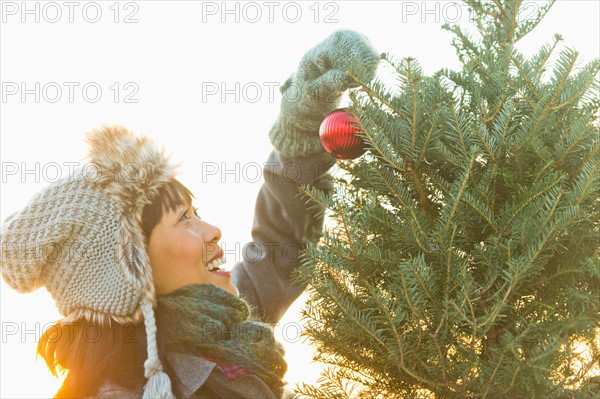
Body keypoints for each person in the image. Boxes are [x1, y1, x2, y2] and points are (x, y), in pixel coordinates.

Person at [0, 30, 380, 398]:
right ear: (131, 272)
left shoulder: (222, 323)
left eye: (196, 212)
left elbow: (282, 247)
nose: (213, 230)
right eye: (183, 218)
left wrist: (301, 126)